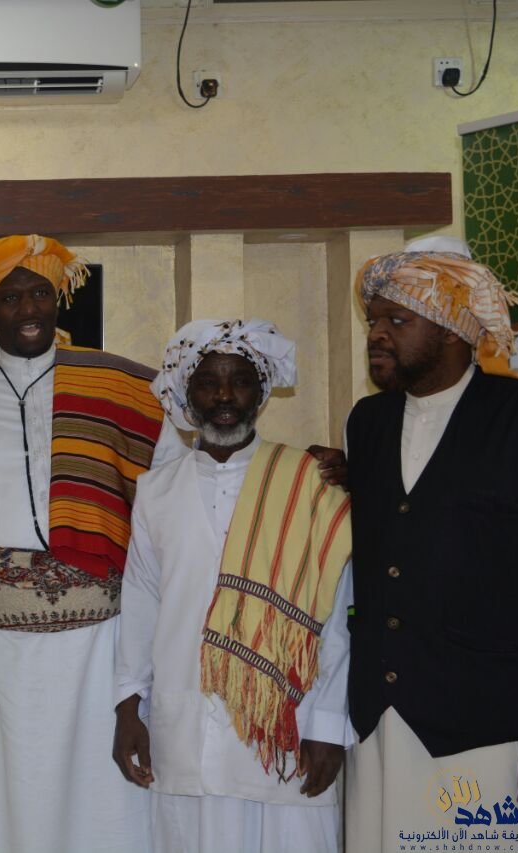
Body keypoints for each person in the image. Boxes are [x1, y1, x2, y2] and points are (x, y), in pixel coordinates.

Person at [0, 234, 187, 852]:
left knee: (99, 792)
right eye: (10, 298)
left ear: (59, 299)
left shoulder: (121, 386)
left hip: (100, 640)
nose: (29, 309)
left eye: (40, 292)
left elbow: (174, 484)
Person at [113, 319, 353, 853]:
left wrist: (328, 726)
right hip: (184, 720)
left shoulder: (307, 482)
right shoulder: (156, 491)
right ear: (186, 393)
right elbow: (141, 603)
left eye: (241, 381)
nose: (224, 396)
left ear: (261, 392)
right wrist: (129, 708)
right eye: (208, 383)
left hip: (286, 727)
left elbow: (334, 614)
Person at [344, 246, 518, 850]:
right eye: (374, 320)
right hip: (380, 725)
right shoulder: (365, 423)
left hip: (489, 731)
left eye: (397, 320)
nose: (376, 334)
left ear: (453, 330)